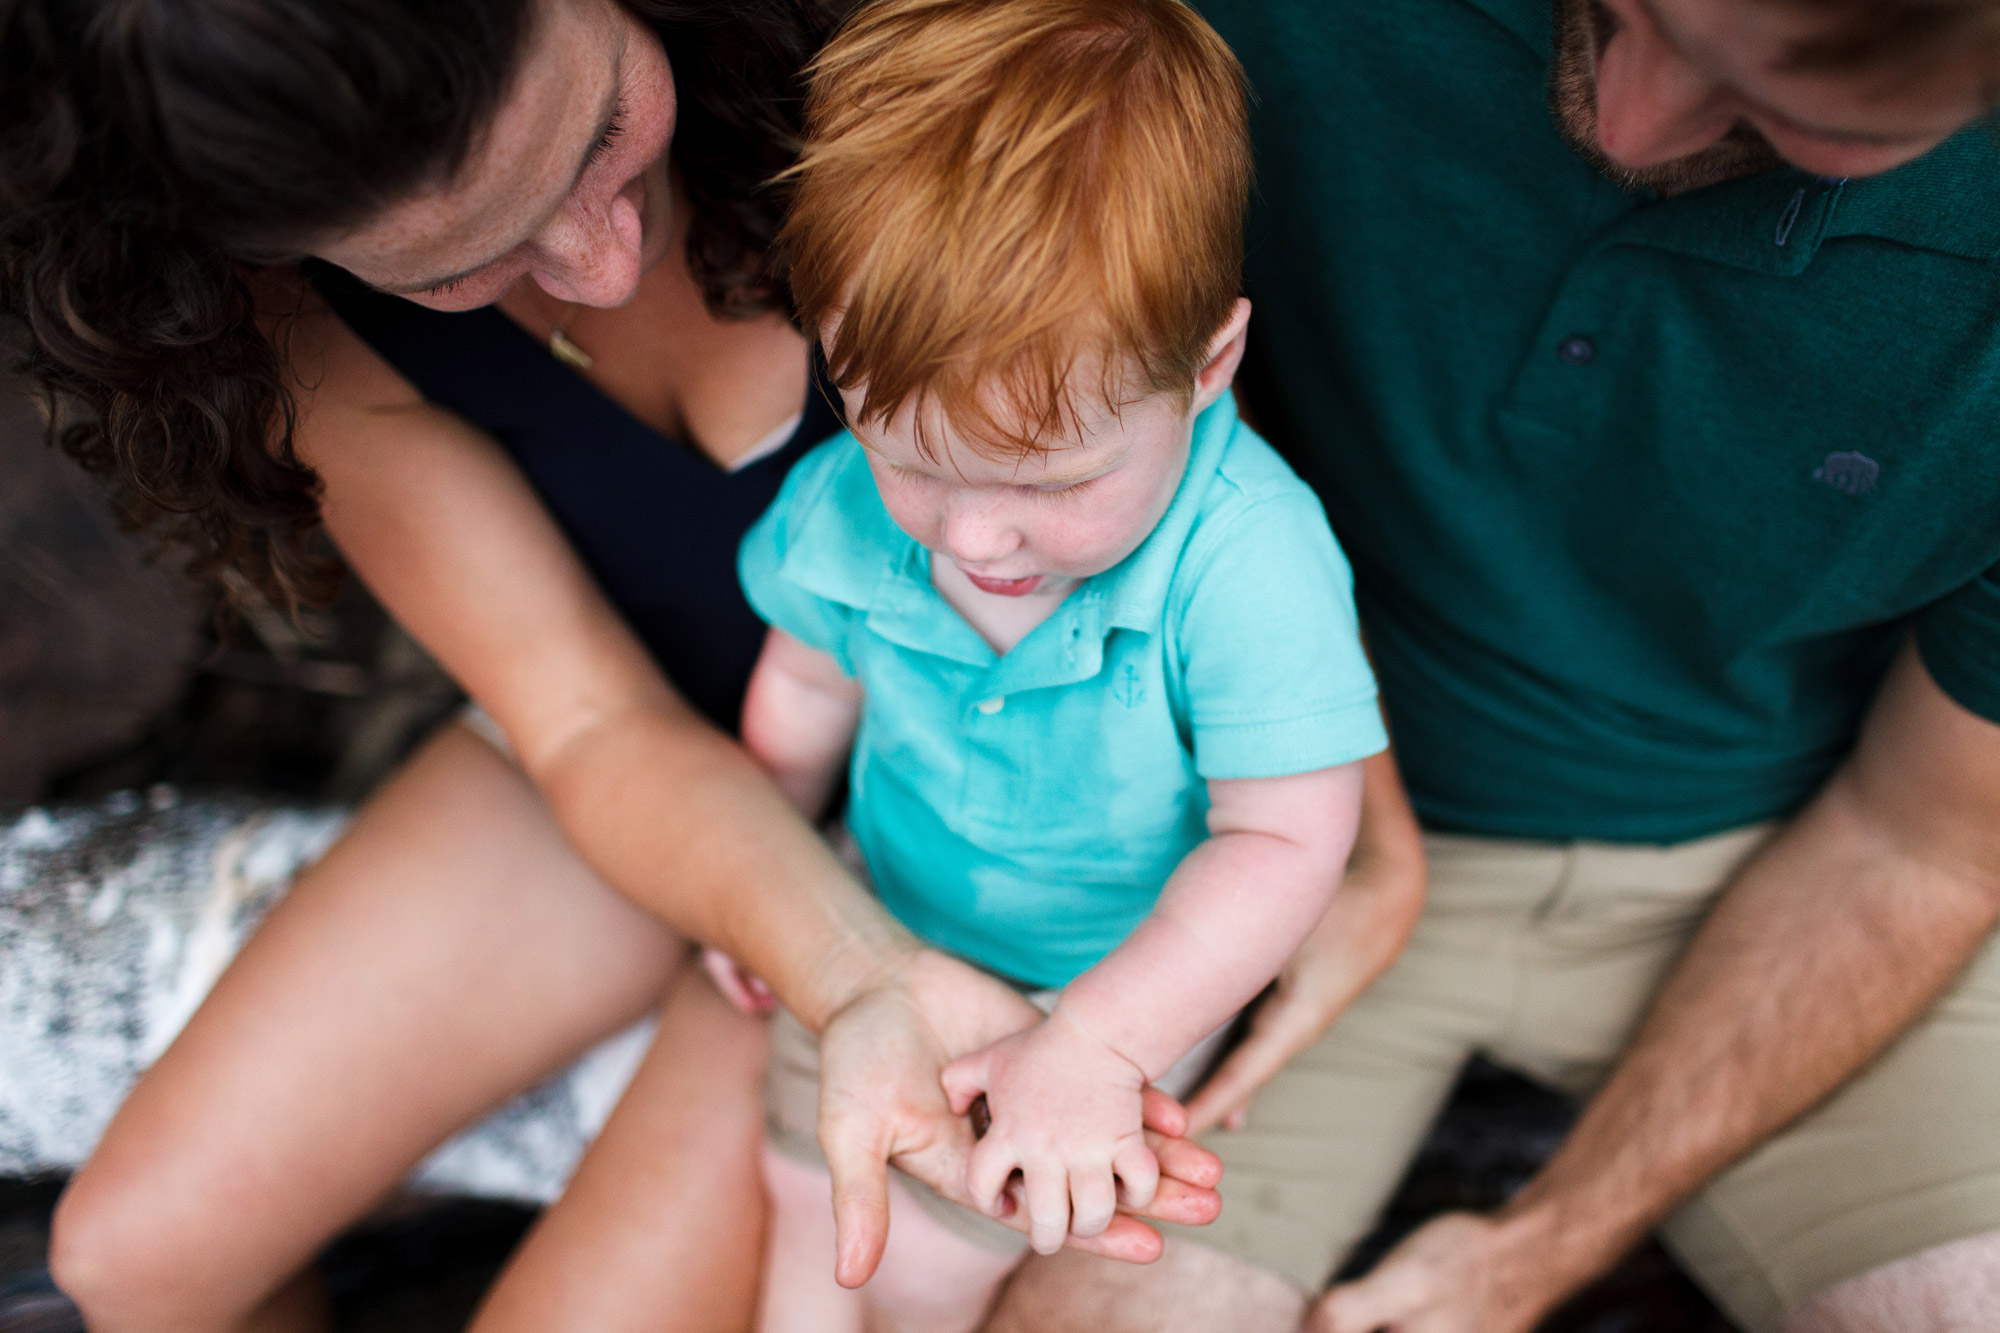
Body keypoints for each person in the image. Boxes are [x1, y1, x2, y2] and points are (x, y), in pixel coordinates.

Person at [0, 1, 1220, 1329]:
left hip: (975, 800)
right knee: (136, 1258)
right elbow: (583, 719)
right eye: (459, 267)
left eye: (600, 138)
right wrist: (846, 968)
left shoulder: (926, 65)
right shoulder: (275, 295)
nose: (601, 259)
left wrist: (878, 961)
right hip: (633, 734)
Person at [976, 1, 2000, 1331]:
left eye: (1788, 113)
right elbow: (1072, 415)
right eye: (1616, 10)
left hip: (1802, 871)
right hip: (1280, 819)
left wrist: (1539, 1249)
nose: (1625, 126)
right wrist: (1352, 823)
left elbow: (1923, 843)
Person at [704, 4, 1391, 1328]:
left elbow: (1286, 842)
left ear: (1209, 368)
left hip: (1112, 976)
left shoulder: (1249, 564)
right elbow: (803, 688)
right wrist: (766, 860)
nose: (971, 537)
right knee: (806, 1187)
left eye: (1050, 482)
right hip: (886, 918)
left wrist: (1099, 1041)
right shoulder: (850, 509)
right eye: (906, 456)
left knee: (934, 1262)